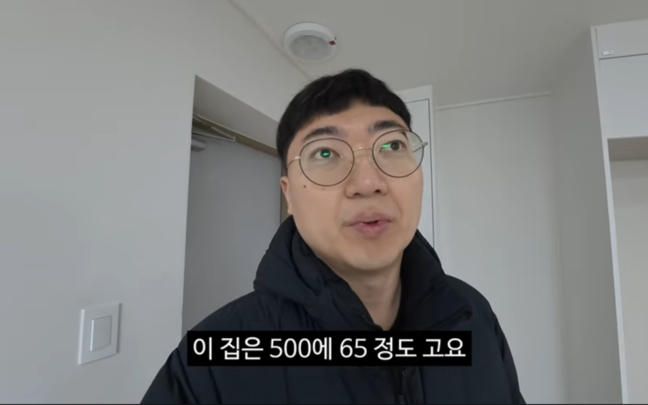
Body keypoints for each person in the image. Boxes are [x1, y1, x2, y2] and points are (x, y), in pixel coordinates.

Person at [141, 69, 524, 404]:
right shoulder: (210, 363)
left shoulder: (472, 315)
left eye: (392, 145)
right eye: (324, 153)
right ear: (289, 195)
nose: (368, 182)